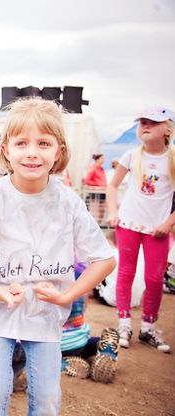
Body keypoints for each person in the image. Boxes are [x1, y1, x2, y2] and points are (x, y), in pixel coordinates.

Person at [0, 98, 115, 415]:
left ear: (59, 151)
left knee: (48, 398)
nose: (32, 152)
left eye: (43, 143)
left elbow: (105, 259)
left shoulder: (68, 203)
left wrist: (68, 294)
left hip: (46, 318)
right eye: (22, 143)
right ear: (6, 150)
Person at [106, 106, 175, 353]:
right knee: (126, 272)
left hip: (158, 228)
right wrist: (113, 213)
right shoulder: (131, 156)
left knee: (155, 279)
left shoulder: (173, 159)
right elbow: (112, 186)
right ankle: (124, 324)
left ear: (167, 129)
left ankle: (148, 327)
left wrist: (168, 223)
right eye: (142, 122)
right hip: (129, 224)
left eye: (152, 122)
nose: (145, 126)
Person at [60, 261, 120, 383]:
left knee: (34, 354)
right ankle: (106, 351)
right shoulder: (82, 269)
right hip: (79, 341)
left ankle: (63, 364)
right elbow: (84, 307)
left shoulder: (42, 270)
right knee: (94, 341)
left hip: (54, 344)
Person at [83, 153, 107, 223]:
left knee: (102, 208)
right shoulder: (93, 168)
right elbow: (87, 180)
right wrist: (98, 184)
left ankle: (100, 223)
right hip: (95, 192)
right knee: (94, 209)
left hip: (102, 191)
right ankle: (93, 223)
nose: (104, 160)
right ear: (98, 159)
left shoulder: (101, 169)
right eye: (102, 158)